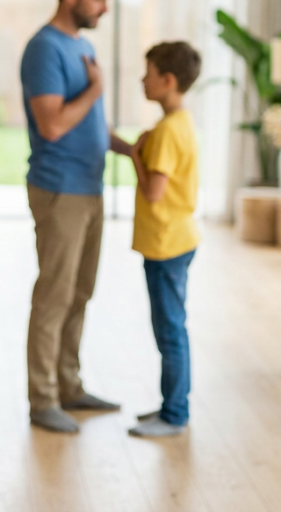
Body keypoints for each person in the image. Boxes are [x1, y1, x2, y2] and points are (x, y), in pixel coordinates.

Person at [20, 0, 120, 434]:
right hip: (60, 189)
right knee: (56, 294)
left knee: (80, 291)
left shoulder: (80, 45)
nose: (105, 7)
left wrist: (130, 148)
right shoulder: (45, 49)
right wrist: (97, 88)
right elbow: (54, 123)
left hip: (90, 185)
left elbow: (92, 123)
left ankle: (70, 386)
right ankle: (43, 400)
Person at [111, 42, 202, 437]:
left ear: (167, 81)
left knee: (169, 331)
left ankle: (175, 414)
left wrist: (134, 155)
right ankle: (171, 406)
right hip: (176, 239)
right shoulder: (180, 122)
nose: (141, 79)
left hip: (167, 244)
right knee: (170, 328)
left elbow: (153, 192)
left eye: (147, 73)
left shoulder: (166, 132)